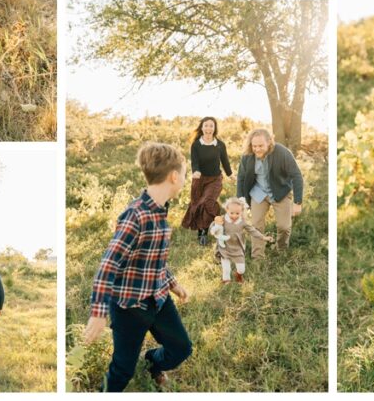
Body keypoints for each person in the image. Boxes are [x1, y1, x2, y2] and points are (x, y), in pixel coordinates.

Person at [82, 142, 193, 391]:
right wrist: (98, 313)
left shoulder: (160, 211)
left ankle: (152, 363)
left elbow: (153, 259)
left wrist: (173, 284)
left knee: (181, 348)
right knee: (123, 368)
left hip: (158, 299)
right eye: (184, 174)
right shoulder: (136, 215)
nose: (184, 179)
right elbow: (108, 265)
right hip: (129, 307)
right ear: (174, 176)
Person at [235, 127, 304, 258]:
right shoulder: (247, 156)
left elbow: (296, 175)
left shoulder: (282, 152)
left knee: (284, 226)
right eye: (254, 146)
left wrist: (298, 202)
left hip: (280, 191)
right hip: (258, 192)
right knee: (256, 225)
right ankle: (258, 257)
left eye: (260, 145)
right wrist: (241, 199)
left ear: (269, 143)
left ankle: (281, 250)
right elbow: (241, 177)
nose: (257, 149)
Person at [181, 116, 232, 245]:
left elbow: (225, 162)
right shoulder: (196, 145)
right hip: (199, 179)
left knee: (208, 202)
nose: (209, 128)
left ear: (214, 128)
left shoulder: (220, 145)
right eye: (206, 125)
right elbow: (195, 162)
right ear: (202, 128)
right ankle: (202, 231)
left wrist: (230, 174)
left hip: (215, 179)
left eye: (211, 126)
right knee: (198, 204)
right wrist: (196, 171)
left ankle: (217, 224)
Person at [209, 197, 273, 284]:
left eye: (237, 213)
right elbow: (214, 226)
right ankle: (226, 280)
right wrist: (214, 230)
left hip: (237, 248)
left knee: (241, 269)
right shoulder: (223, 219)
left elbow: (252, 231)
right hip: (225, 248)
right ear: (227, 210)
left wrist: (263, 237)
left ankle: (238, 275)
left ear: (241, 212)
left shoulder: (242, 222)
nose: (234, 215)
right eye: (231, 213)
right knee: (226, 269)